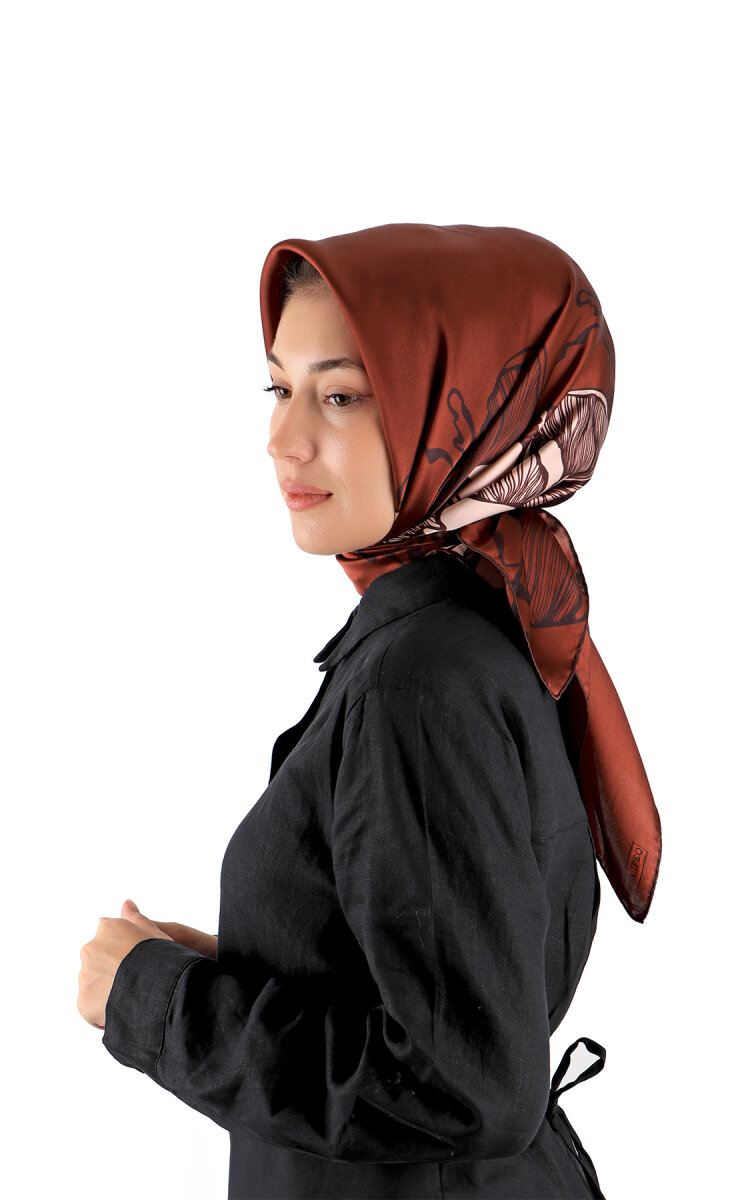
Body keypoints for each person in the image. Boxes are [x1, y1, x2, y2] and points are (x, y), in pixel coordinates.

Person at [78, 222, 662, 1199]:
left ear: (465, 409)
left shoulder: (420, 683)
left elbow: (462, 1085)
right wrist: (254, 961)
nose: (283, 439)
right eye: (279, 388)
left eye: (341, 395)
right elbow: (448, 975)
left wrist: (154, 1003)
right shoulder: (480, 626)